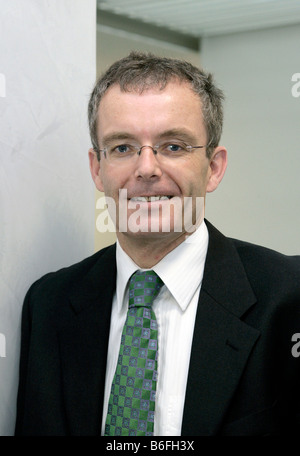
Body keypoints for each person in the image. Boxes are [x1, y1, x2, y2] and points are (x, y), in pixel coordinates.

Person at [15, 52, 300, 436]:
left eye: (173, 146)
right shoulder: (49, 304)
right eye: (122, 147)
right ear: (97, 169)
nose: (146, 168)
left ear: (214, 167)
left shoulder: (290, 296)